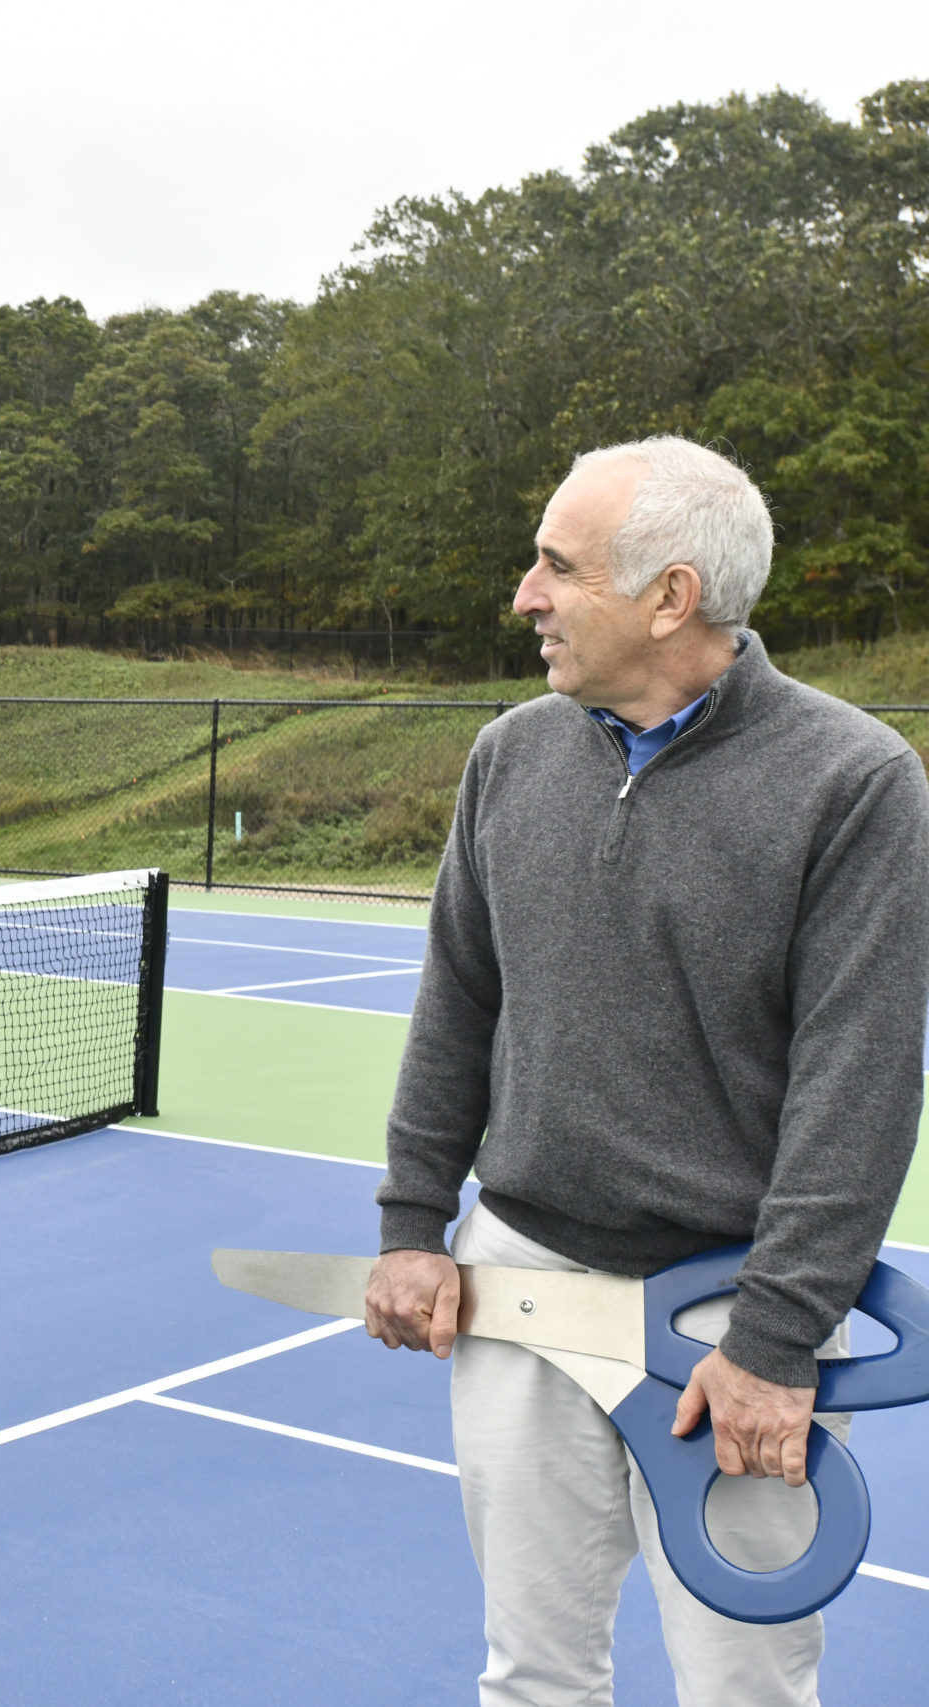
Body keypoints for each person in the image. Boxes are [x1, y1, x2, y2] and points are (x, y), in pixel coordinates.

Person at [364, 438, 929, 1705]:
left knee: (745, 1685)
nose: (525, 594)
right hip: (517, 1288)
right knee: (532, 1676)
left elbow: (862, 1088)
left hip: (734, 1318)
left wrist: (781, 1341)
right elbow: (455, 1005)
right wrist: (413, 1222)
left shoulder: (856, 784)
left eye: (557, 567)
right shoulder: (508, 756)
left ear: (670, 598)